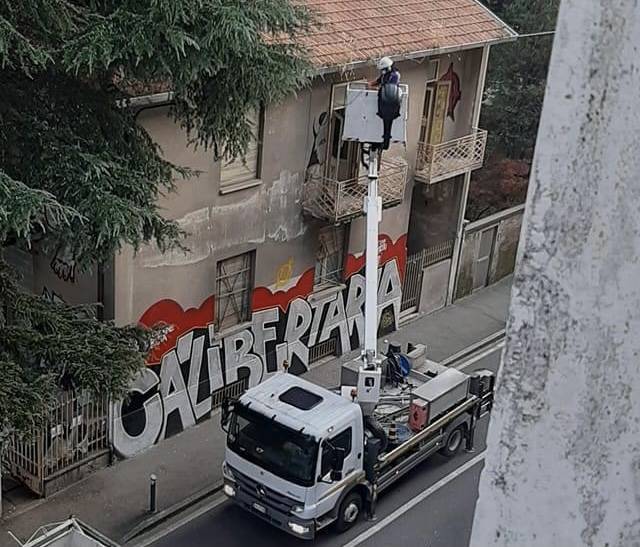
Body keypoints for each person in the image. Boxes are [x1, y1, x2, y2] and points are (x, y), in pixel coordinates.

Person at [370, 57, 402, 149]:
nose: (382, 71)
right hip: (384, 104)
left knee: (388, 125)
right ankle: (385, 141)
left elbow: (388, 87)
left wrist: (378, 88)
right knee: (386, 125)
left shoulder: (394, 75)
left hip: (391, 103)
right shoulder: (385, 75)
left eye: (383, 69)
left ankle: (386, 141)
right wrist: (370, 84)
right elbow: (378, 81)